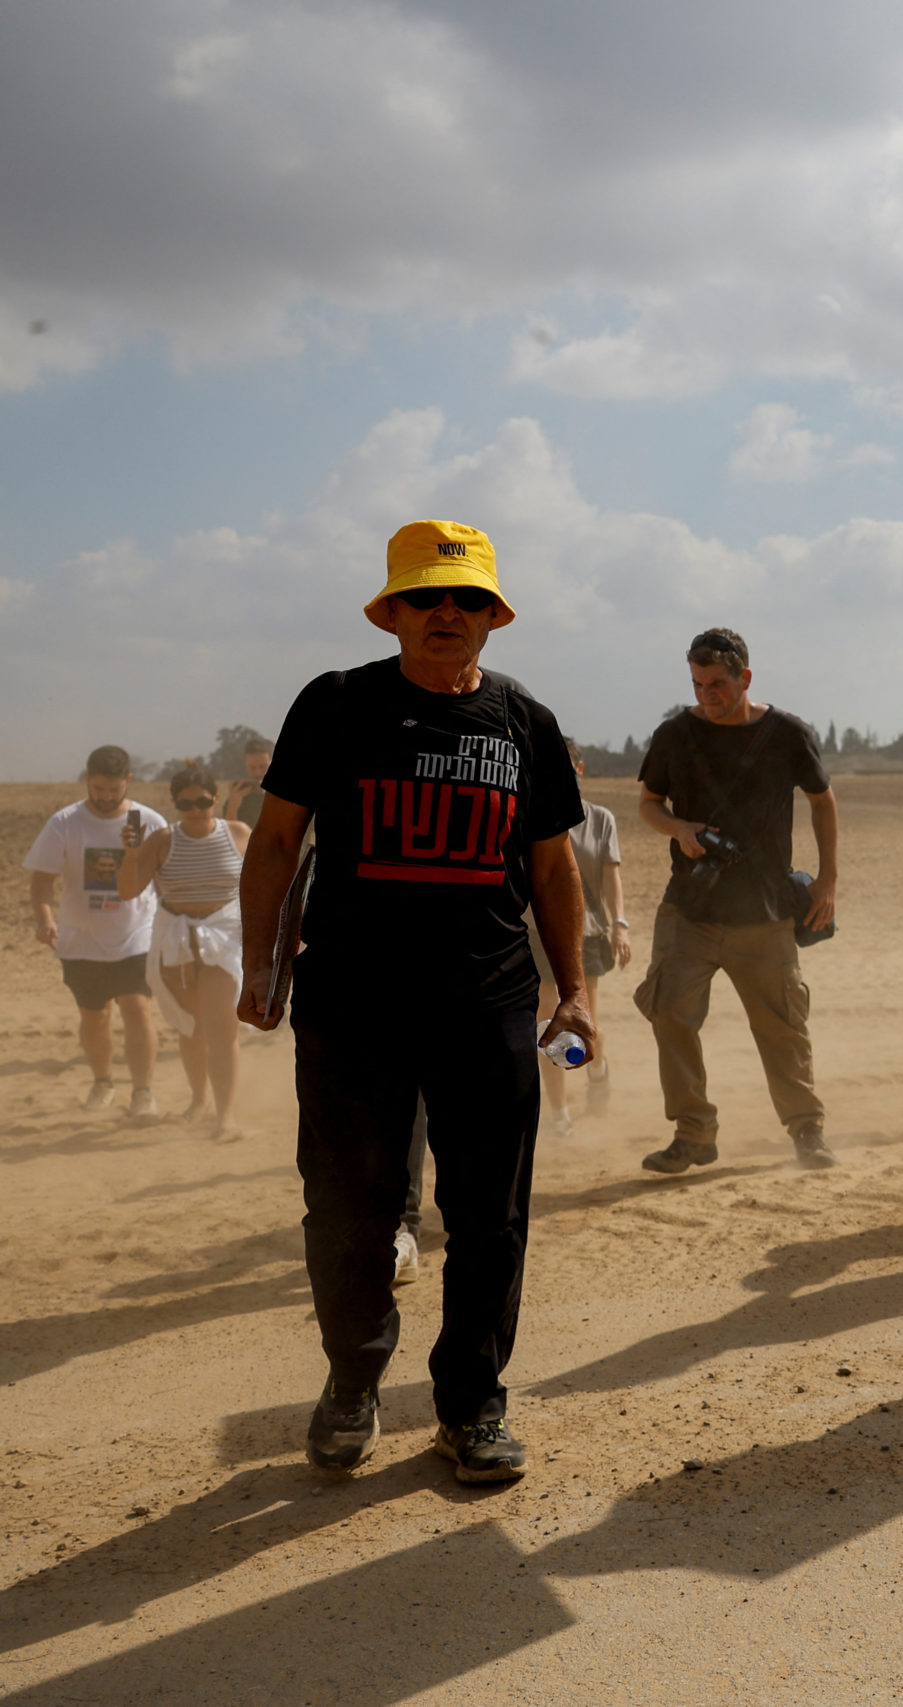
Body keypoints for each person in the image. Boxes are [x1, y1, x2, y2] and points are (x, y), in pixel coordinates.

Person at [237, 518, 594, 1485]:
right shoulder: (336, 704)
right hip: (353, 1006)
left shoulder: (525, 722)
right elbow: (276, 843)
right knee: (347, 1209)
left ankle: (472, 1405)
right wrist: (259, 964)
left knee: (490, 1215)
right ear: (392, 611)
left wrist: (576, 990)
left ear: (493, 616)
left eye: (468, 597)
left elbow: (554, 867)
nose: (448, 611)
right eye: (426, 596)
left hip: (489, 1004)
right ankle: (352, 1381)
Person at [632, 627, 840, 1173]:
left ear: (745, 678)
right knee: (669, 1013)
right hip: (689, 909)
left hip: (764, 913)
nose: (707, 695)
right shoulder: (675, 734)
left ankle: (807, 1131)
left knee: (782, 1026)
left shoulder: (787, 733)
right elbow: (649, 804)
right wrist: (679, 829)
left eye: (717, 685)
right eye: (698, 685)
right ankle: (693, 1133)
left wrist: (828, 880)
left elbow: (823, 801)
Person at [24, 745, 164, 1119]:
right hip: (81, 939)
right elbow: (42, 880)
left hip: (137, 933)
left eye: (113, 789)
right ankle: (103, 1082)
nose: (105, 796)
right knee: (94, 1016)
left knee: (137, 1008)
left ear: (128, 781)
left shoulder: (149, 822)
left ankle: (143, 1092)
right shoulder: (65, 823)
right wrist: (44, 919)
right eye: (98, 788)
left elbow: (165, 878)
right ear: (87, 779)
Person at [118, 761, 251, 1136]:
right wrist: (131, 854)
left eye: (203, 802)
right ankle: (198, 1100)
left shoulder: (238, 834)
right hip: (177, 938)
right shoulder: (163, 841)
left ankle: (225, 1115)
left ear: (216, 799)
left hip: (225, 937)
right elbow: (128, 891)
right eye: (185, 803)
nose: (195, 810)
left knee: (222, 1028)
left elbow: (265, 881)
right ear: (175, 803)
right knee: (191, 1028)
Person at [530, 741, 630, 1133]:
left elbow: (611, 877)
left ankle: (598, 1069)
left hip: (586, 933)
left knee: (587, 1025)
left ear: (580, 769)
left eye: (565, 768)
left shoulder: (600, 819)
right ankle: (560, 1116)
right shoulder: (531, 816)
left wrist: (619, 924)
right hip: (537, 933)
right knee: (547, 1025)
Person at [224, 735, 275, 827]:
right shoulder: (239, 798)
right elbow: (229, 833)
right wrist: (232, 807)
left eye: (263, 766)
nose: (257, 772)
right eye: (252, 767)